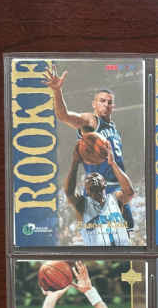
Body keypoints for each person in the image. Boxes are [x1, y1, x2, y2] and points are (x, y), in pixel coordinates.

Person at [43, 66, 135, 231]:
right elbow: (64, 116)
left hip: (118, 188)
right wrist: (57, 91)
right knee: (96, 236)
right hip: (98, 189)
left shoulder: (113, 128)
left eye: (109, 102)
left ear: (113, 106)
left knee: (126, 234)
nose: (106, 104)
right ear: (94, 104)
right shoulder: (91, 121)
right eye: (102, 101)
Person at [65, 142, 134, 246]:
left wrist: (113, 163)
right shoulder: (82, 204)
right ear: (86, 190)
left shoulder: (115, 199)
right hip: (98, 254)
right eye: (88, 178)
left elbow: (129, 192)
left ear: (105, 183)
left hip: (122, 252)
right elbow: (69, 193)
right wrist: (75, 162)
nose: (93, 177)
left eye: (97, 176)